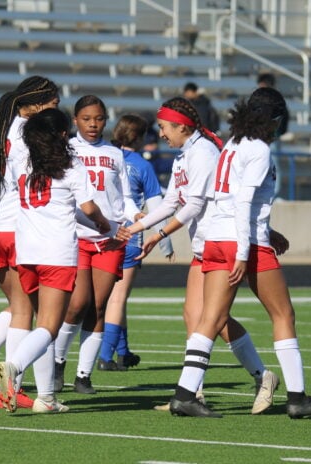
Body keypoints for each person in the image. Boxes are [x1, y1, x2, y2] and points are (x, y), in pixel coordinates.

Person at [167, 87, 311, 419]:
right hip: (241, 241)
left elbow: (232, 200)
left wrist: (267, 231)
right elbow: (243, 202)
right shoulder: (258, 148)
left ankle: (185, 394)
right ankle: (298, 398)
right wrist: (245, 251)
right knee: (283, 316)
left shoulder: (233, 144)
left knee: (210, 319)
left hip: (216, 238)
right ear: (273, 120)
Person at [126, 97, 278, 415]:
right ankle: (197, 391)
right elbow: (171, 201)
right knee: (199, 318)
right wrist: (136, 226)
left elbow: (194, 205)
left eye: (165, 128)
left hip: (219, 243)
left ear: (182, 125)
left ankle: (245, 381)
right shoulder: (185, 155)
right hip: (204, 245)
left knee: (211, 319)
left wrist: (158, 235)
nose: (162, 134)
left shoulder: (205, 153)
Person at [0, 108, 124, 413]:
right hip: (57, 253)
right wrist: (105, 226)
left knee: (42, 327)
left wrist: (98, 225)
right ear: (64, 134)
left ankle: (46, 398)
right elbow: (89, 208)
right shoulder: (71, 164)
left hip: (26, 253)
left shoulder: (21, 161)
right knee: (49, 328)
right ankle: (14, 367)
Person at [0, 76, 60, 409]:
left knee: (19, 307)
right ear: (35, 103)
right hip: (16, 228)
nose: (56, 111)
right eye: (53, 104)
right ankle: (13, 387)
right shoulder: (30, 134)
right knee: (30, 312)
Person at [53, 95, 142, 395]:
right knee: (77, 304)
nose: (93, 124)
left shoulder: (115, 154)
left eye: (99, 118)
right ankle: (57, 361)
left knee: (99, 307)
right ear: (75, 120)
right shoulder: (66, 150)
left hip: (111, 240)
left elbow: (124, 197)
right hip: (76, 237)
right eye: (87, 118)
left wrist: (135, 215)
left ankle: (83, 375)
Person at [98, 114, 174, 372]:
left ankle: (123, 352)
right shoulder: (142, 165)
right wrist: (166, 243)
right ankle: (105, 356)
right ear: (140, 138)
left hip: (101, 233)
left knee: (112, 298)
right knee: (118, 298)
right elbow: (156, 208)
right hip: (130, 235)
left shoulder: (105, 156)